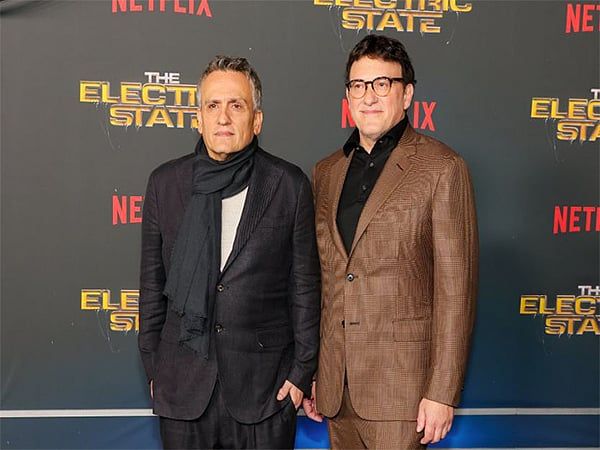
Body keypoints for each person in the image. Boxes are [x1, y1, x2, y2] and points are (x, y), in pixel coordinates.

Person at [303, 34, 478, 449]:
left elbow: (456, 291)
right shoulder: (326, 172)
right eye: (358, 85)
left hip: (404, 392)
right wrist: (316, 370)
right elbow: (326, 279)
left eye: (382, 83)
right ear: (347, 95)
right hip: (336, 390)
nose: (369, 96)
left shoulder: (442, 167)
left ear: (407, 94)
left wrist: (442, 392)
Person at [138, 55, 320, 450]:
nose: (223, 117)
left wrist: (301, 372)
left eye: (236, 105)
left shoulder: (288, 184)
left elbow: (304, 288)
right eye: (213, 105)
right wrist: (155, 367)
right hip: (182, 388)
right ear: (198, 118)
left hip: (266, 393)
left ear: (257, 120)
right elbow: (152, 289)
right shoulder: (165, 184)